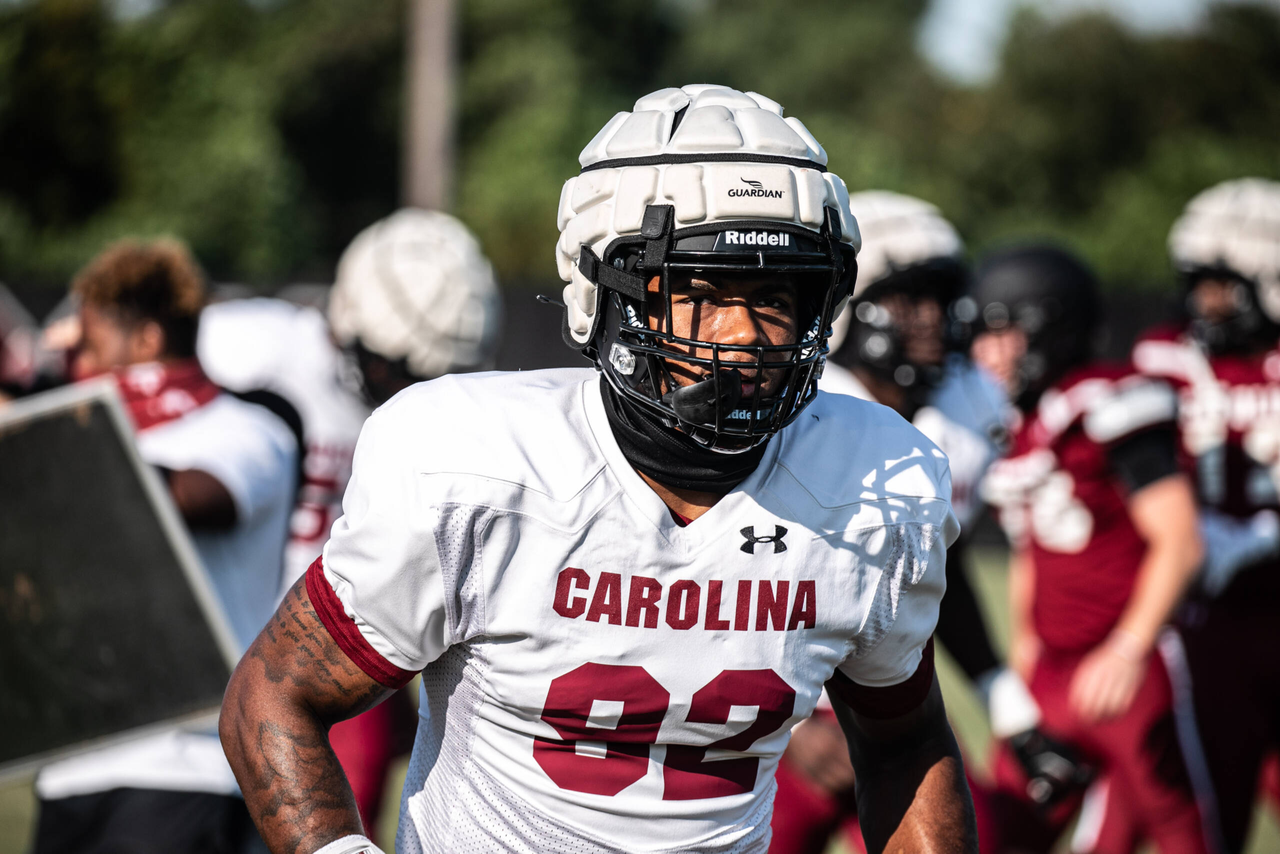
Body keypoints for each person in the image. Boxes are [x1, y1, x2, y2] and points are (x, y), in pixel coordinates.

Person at [219, 83, 977, 854]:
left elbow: (905, 744)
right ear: (605, 291)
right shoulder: (482, 468)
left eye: (776, 296)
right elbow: (273, 697)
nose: (743, 336)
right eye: (702, 292)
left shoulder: (871, 483)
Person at [197, 208, 502, 838]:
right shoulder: (252, 345)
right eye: (399, 370)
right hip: (232, 629)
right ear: (351, 324)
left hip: (337, 640)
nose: (411, 391)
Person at [771, 191, 1042, 854]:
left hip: (893, 716)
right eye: (905, 299)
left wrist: (1006, 701)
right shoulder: (795, 415)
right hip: (778, 722)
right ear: (845, 310)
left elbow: (926, 580)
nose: (928, 320)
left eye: (939, 300)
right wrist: (793, 728)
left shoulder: (959, 414)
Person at [33, 238, 298, 854]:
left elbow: (189, 501)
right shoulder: (74, 442)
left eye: (92, 346)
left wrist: (43, 440)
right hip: (70, 768)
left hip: (187, 771)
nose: (78, 364)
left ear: (148, 341)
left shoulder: (246, 430)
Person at [971, 245, 1210, 854]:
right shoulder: (1018, 422)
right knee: (1002, 830)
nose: (986, 353)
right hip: (1052, 670)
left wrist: (1129, 648)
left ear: (1046, 327)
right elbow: (1032, 547)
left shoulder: (1108, 399)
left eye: (1002, 334)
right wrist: (1025, 649)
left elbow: (1179, 540)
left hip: (1130, 664)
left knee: (1185, 833)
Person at [1130, 177, 1280, 854]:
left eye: (1223, 283)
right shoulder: (1165, 356)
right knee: (1212, 807)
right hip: (1204, 623)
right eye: (1199, 282)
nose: (1206, 302)